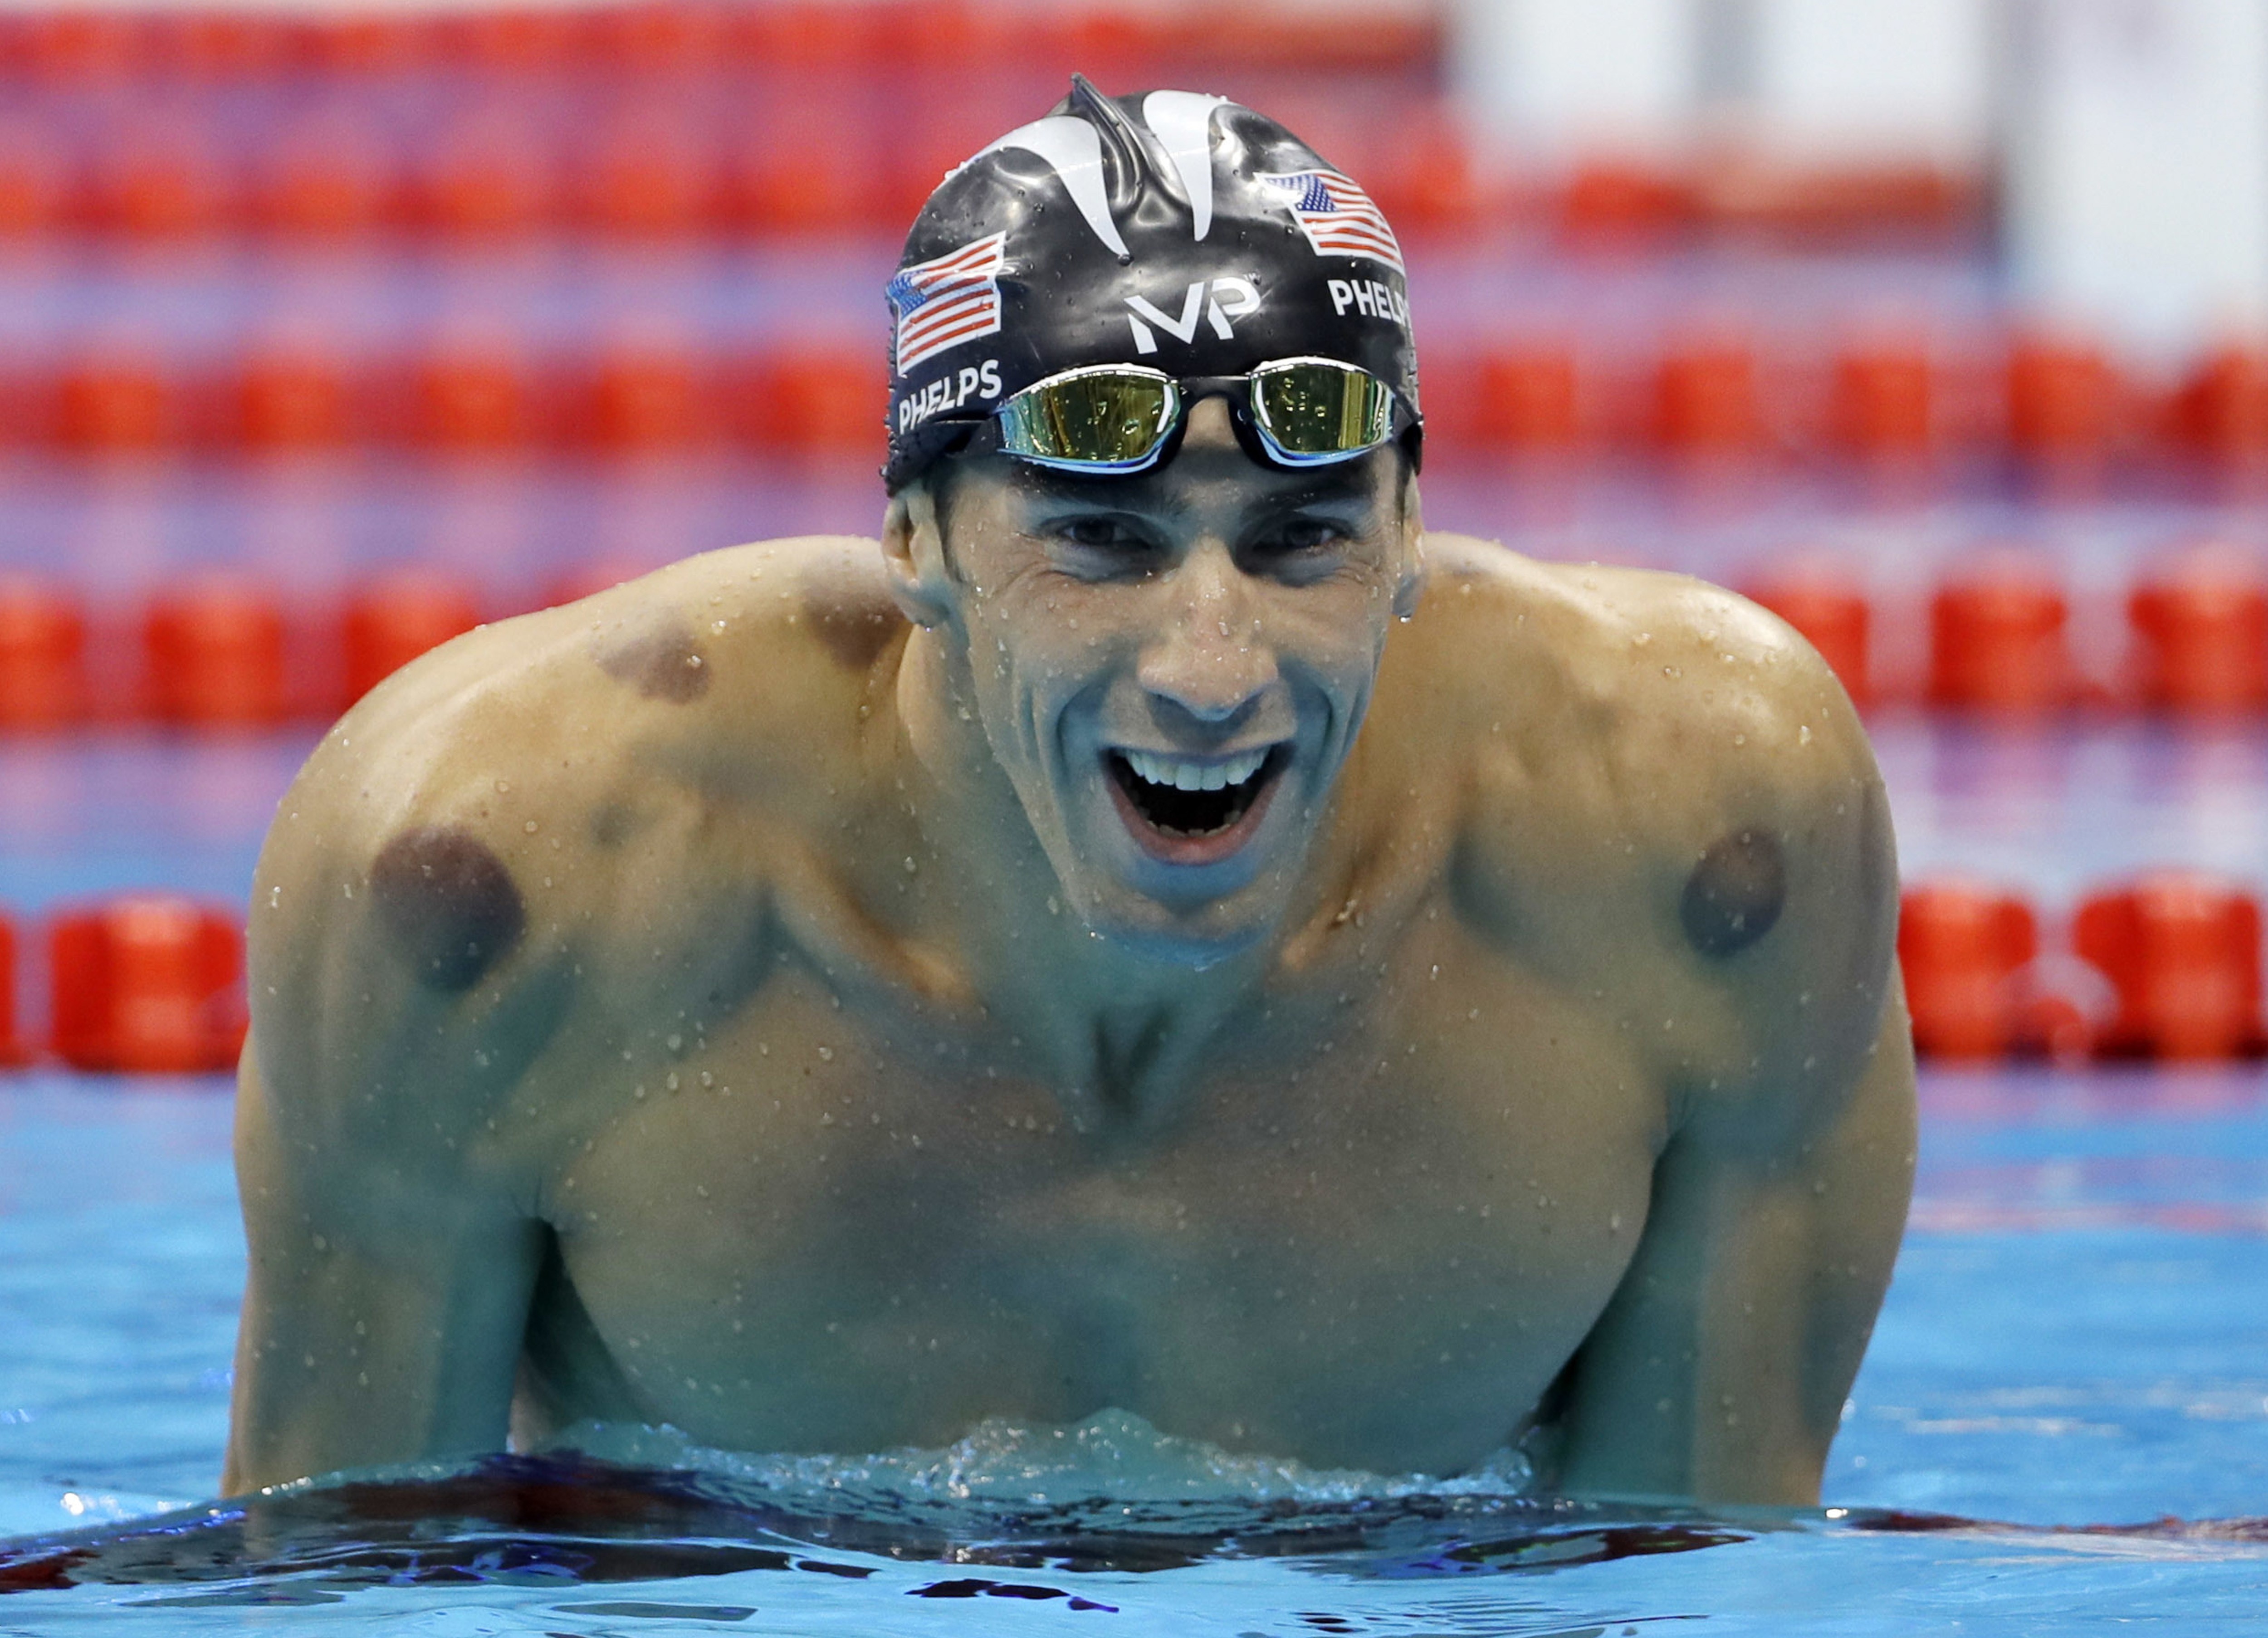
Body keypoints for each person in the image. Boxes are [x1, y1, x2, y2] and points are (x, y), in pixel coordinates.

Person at [223, 81, 1913, 1506]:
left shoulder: (1695, 847)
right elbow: (338, 1592)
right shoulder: (509, 882)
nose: (1209, 664)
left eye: (1301, 539)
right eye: (1101, 543)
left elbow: (1704, 1580)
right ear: (915, 540)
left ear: (1408, 531)